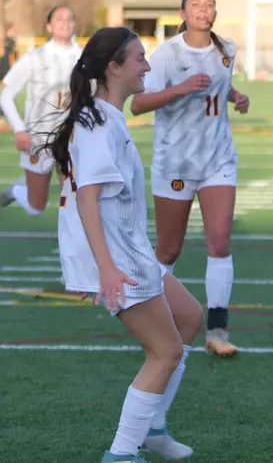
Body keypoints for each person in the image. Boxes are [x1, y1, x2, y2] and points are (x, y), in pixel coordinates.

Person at [44, 26, 204, 462]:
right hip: (116, 257)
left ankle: (152, 426)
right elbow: (87, 200)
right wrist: (105, 267)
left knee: (188, 317)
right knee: (165, 352)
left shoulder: (104, 117)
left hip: (127, 250)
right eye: (138, 58)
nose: (147, 65)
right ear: (113, 68)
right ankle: (121, 452)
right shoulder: (97, 124)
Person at [130, 0, 249, 358]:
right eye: (195, 4)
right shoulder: (168, 53)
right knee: (168, 249)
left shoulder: (226, 49)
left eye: (209, 4)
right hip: (176, 163)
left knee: (220, 241)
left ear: (215, 12)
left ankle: (217, 329)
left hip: (218, 160)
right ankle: (153, 318)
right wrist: (179, 89)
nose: (203, 9)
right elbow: (137, 103)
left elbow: (218, 85)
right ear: (183, 13)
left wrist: (235, 96)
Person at [0, 7, 82, 216]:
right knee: (36, 207)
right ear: (48, 26)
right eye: (58, 19)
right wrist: (19, 130)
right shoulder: (35, 57)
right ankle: (16, 191)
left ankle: (70, 247)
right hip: (38, 140)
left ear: (75, 24)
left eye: (69, 18)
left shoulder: (84, 58)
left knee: (73, 203)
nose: (64, 23)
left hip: (72, 139)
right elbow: (5, 97)